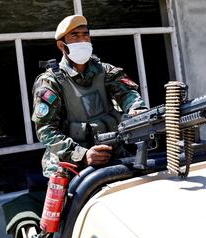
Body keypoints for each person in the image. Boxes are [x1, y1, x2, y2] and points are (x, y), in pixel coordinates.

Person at [32, 15, 148, 177]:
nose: (82, 40)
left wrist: (138, 109)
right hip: (69, 163)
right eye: (75, 36)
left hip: (111, 151)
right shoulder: (50, 81)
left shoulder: (105, 71)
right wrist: (82, 155)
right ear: (61, 45)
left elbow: (127, 94)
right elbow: (45, 130)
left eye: (85, 35)